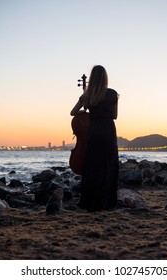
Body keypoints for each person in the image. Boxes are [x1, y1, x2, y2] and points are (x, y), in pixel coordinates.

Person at [70, 65, 119, 212]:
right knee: (108, 165)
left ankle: (89, 201)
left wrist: (86, 108)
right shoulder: (112, 94)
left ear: (92, 78)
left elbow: (72, 112)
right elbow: (115, 116)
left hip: (94, 131)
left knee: (92, 166)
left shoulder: (88, 95)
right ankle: (107, 202)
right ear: (105, 77)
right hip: (108, 130)